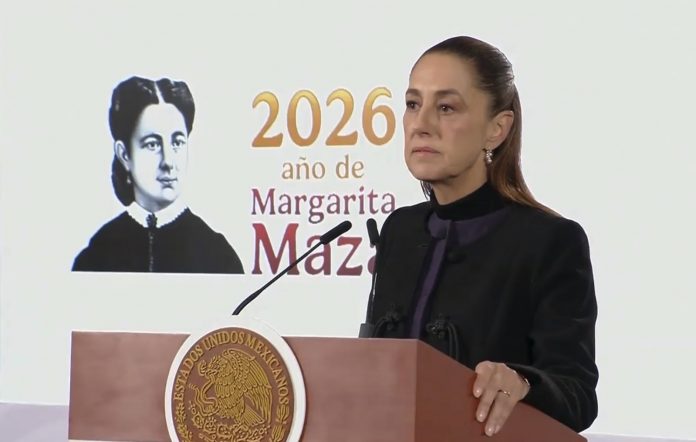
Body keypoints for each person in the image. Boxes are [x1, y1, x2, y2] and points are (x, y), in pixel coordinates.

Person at [365, 36, 598, 435]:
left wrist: (522, 383)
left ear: (497, 129)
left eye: (446, 107)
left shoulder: (550, 241)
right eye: (412, 104)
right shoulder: (400, 230)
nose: (421, 125)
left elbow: (577, 395)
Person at [72, 76, 244, 274]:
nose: (168, 162)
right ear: (124, 154)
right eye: (152, 144)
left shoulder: (218, 255)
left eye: (177, 143)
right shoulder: (97, 255)